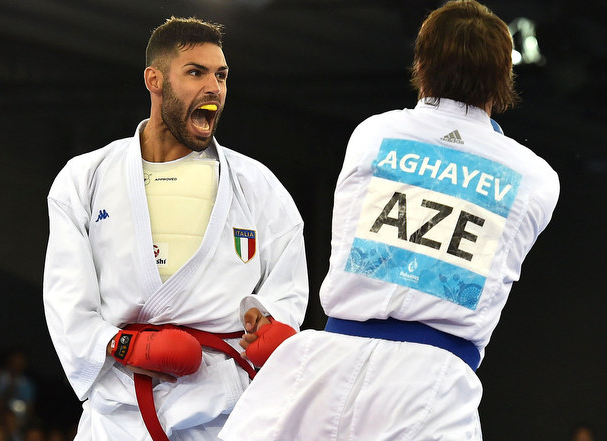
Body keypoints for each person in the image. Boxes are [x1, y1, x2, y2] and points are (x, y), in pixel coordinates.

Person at [219, 1, 559, 440]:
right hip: (430, 384)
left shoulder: (374, 134)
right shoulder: (535, 178)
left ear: (420, 65)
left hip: (328, 362)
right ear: (504, 78)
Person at [42, 16, 308, 441]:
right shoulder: (85, 178)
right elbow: (65, 296)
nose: (214, 88)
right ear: (155, 80)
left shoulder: (257, 186)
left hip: (224, 410)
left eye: (221, 75)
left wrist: (269, 321)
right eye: (196, 72)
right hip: (119, 411)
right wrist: (125, 345)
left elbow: (287, 282)